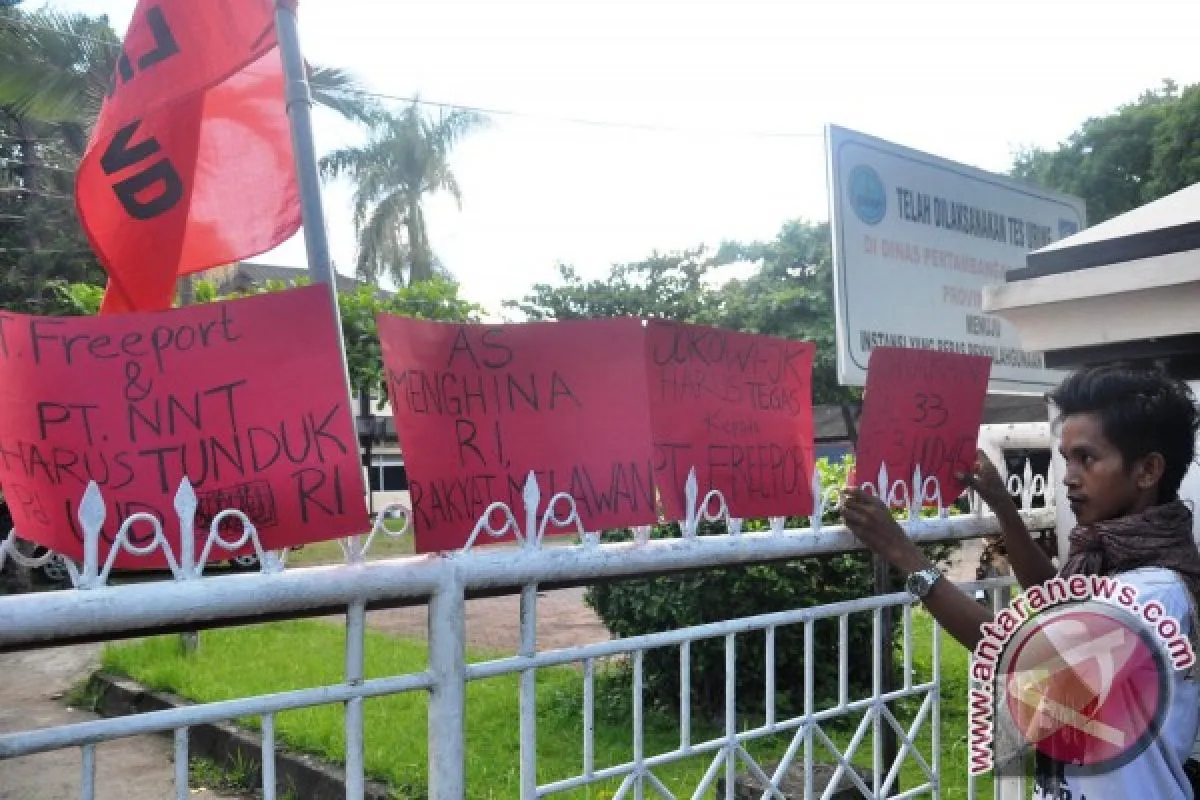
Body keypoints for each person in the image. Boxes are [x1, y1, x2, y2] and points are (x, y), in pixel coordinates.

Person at [841, 364, 1200, 799]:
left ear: (1147, 471)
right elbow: (1056, 604)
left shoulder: (1154, 594)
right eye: (1066, 458)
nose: (1069, 475)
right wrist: (1005, 509)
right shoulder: (1112, 560)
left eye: (1087, 458)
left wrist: (903, 554)